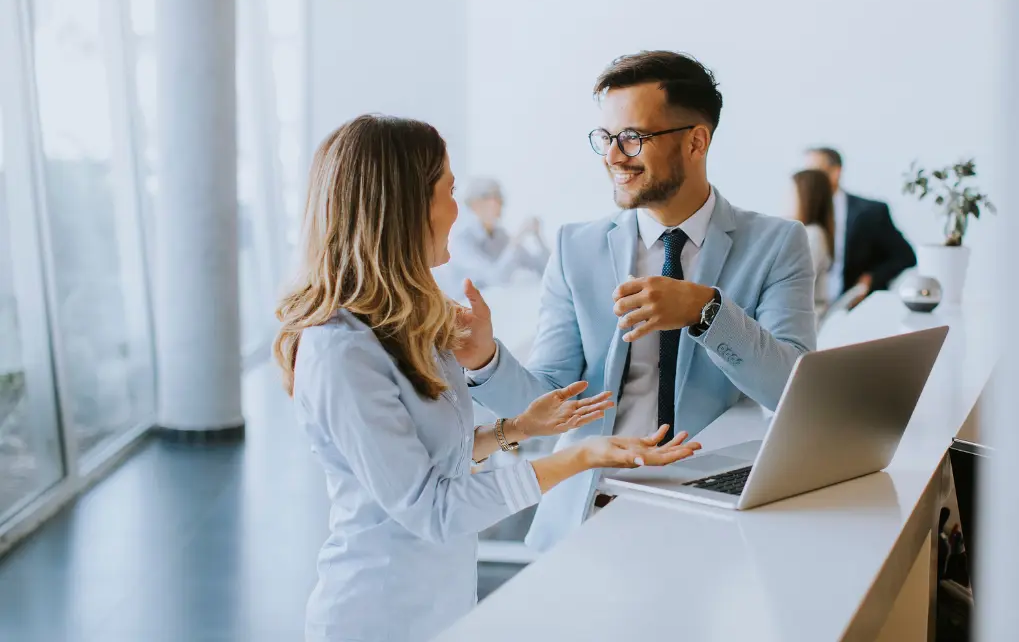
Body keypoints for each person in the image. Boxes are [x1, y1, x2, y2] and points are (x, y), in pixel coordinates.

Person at [274, 115, 701, 642]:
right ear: (404, 205)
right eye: (449, 190)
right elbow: (433, 508)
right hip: (375, 616)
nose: (459, 210)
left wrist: (518, 428)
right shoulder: (339, 351)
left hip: (440, 604)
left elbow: (433, 458)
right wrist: (580, 456)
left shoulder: (400, 320)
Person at [456, 51, 818, 551]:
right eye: (605, 138)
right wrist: (485, 361)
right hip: (588, 510)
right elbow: (547, 398)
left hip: (710, 512)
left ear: (697, 140)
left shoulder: (776, 244)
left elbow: (793, 391)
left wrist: (706, 312)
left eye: (633, 138)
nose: (613, 155)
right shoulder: (573, 248)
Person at [803, 146, 916, 308]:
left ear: (835, 172)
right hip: (809, 306)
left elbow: (906, 256)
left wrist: (871, 279)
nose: (808, 182)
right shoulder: (802, 215)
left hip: (851, 306)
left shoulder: (871, 212)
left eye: (815, 174)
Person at [439, 177, 549, 298]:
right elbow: (495, 278)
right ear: (476, 203)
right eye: (495, 196)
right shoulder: (461, 241)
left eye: (500, 196)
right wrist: (517, 239)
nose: (501, 202)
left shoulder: (500, 236)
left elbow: (545, 269)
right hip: (461, 310)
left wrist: (538, 237)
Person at [792, 169, 835, 317]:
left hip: (807, 323)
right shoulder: (810, 233)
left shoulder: (812, 235)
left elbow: (794, 286)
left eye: (791, 193)